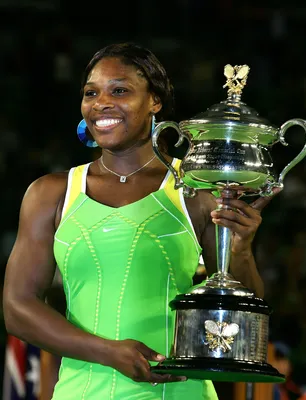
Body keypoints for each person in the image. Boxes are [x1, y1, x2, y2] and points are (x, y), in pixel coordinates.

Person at [3, 42, 276, 400]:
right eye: (91, 92)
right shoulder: (50, 194)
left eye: (120, 90)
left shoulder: (194, 188)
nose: (101, 103)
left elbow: (245, 315)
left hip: (179, 393)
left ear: (155, 101)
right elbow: (17, 307)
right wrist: (109, 352)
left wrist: (240, 250)